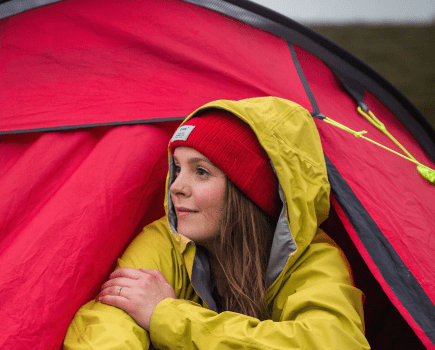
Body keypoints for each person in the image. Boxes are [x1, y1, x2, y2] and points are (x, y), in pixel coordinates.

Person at [64, 97, 370, 349]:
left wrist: (167, 316)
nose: (175, 186)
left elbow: (335, 343)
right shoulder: (165, 241)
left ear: (246, 192)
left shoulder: (312, 260)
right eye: (178, 168)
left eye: (200, 171)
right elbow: (107, 327)